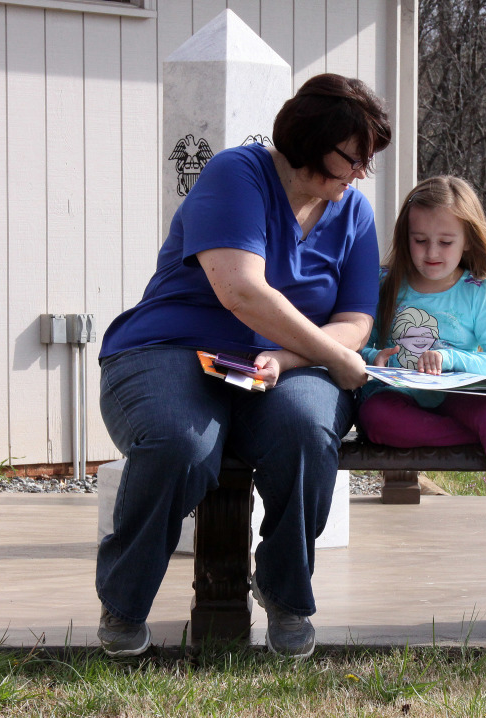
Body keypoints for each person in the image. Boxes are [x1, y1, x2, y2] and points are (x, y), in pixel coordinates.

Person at [96, 73, 391, 659]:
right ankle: (124, 602)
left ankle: (286, 593)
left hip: (286, 364)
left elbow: (356, 318)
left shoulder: (353, 213)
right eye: (352, 159)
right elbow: (241, 292)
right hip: (171, 347)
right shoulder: (238, 173)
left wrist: (288, 356)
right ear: (311, 142)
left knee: (306, 431)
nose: (360, 174)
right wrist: (337, 359)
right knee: (180, 443)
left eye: (367, 162)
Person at [357, 176, 486, 556]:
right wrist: (371, 357)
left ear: (467, 241)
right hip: (399, 396)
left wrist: (451, 358)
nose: (432, 252)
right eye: (419, 240)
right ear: (404, 236)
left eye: (445, 242)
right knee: (375, 419)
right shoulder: (386, 283)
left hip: (456, 394)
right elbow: (360, 342)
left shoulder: (476, 291)